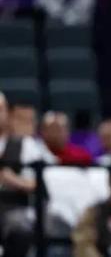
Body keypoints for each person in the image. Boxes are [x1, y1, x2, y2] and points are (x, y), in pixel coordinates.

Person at [0, 92, 55, 257]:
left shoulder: (25, 144)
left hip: (12, 208)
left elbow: (38, 184)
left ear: (8, 114)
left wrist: (13, 180)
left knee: (20, 228)